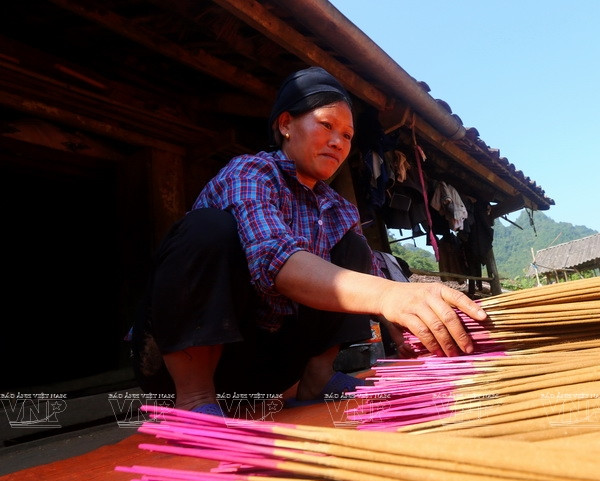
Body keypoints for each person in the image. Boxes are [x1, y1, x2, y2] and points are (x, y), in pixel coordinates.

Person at [129, 67, 486, 416]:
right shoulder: (250, 173)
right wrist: (386, 295)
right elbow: (273, 256)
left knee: (357, 249)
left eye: (347, 136)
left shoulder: (338, 209)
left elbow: (374, 276)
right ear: (285, 125)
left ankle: (316, 379)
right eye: (327, 125)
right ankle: (194, 398)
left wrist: (407, 325)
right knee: (207, 228)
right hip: (182, 362)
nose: (338, 142)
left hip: (268, 367)